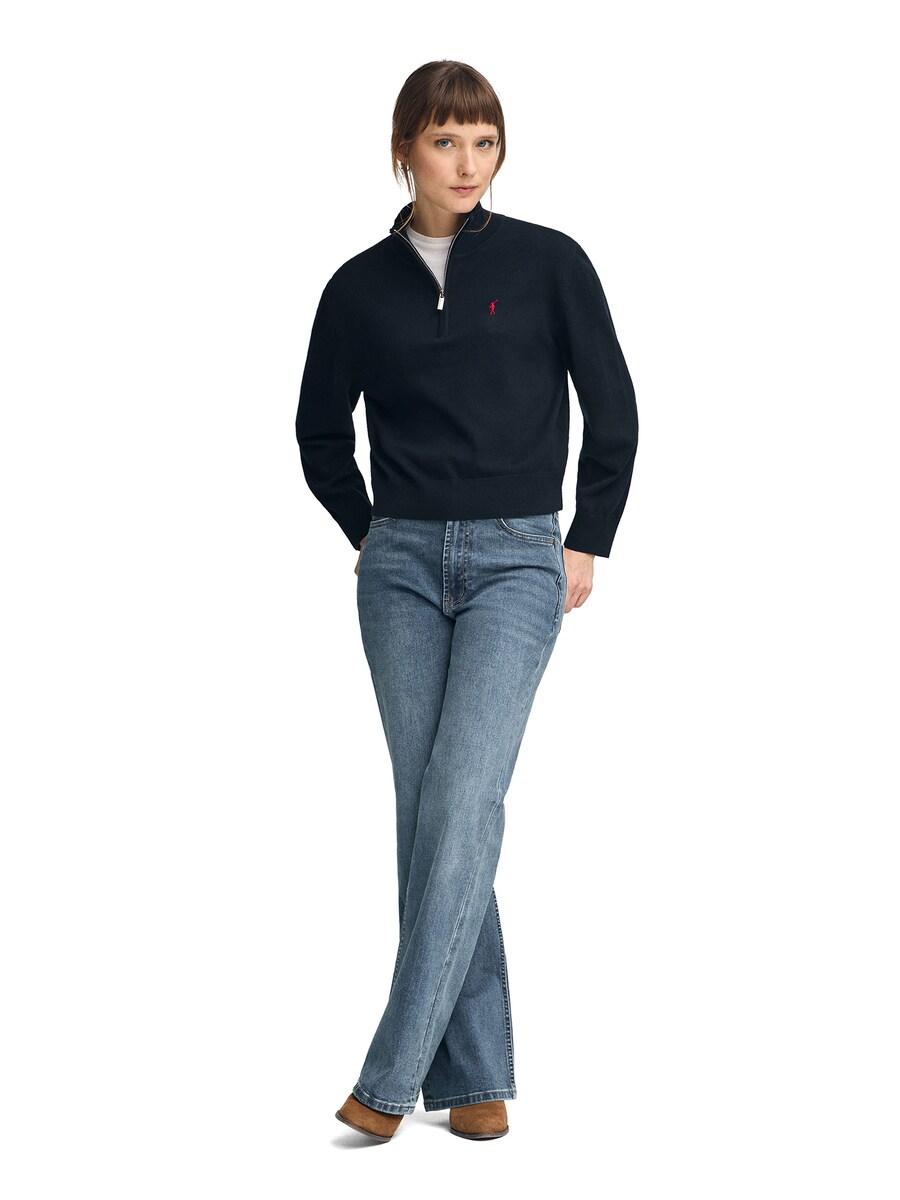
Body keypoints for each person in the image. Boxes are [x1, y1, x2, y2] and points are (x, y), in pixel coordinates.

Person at [295, 59, 638, 1143]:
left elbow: (614, 405)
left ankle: (389, 1080)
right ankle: (477, 1074)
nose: (467, 162)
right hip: (398, 567)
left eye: (484, 142)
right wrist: (368, 530)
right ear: (406, 149)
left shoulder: (549, 262)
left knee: (461, 800)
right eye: (446, 141)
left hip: (518, 560)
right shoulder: (357, 287)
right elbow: (318, 431)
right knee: (431, 810)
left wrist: (587, 537)